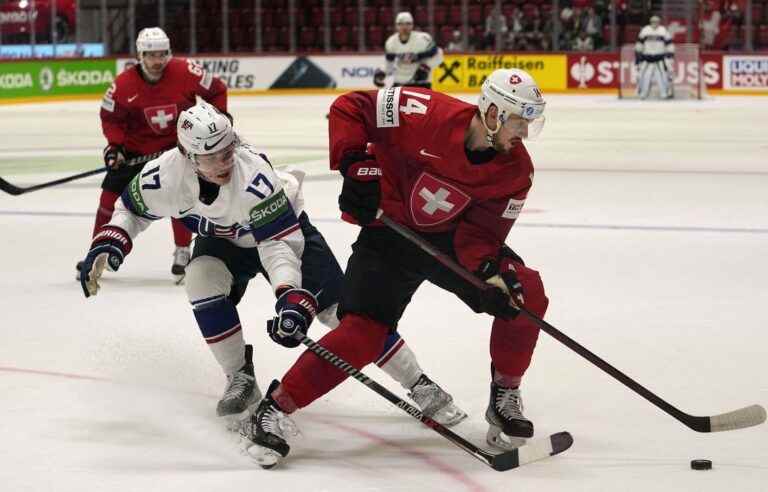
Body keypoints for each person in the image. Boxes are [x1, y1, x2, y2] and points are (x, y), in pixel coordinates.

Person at [78, 101, 467, 430]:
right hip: (223, 241)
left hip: (284, 234)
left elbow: (278, 245)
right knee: (200, 279)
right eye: (213, 155)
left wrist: (288, 294)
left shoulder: (253, 178)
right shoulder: (163, 177)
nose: (226, 159)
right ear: (188, 155)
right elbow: (130, 209)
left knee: (344, 316)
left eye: (228, 147)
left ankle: (418, 381)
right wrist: (112, 239)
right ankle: (239, 377)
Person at [241, 69, 549, 468]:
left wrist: (489, 273)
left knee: (524, 294)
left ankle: (504, 396)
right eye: (518, 121)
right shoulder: (421, 110)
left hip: (450, 242)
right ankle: (274, 409)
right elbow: (351, 107)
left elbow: (481, 235)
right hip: (389, 234)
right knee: (362, 334)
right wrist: (355, 164)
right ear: (491, 113)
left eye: (530, 122)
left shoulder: (515, 173)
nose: (524, 132)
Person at [77, 27, 228, 283]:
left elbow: (217, 89)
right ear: (140, 55)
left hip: (177, 151)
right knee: (108, 200)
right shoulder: (122, 85)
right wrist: (115, 147)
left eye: (162, 54)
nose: (157, 61)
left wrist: (219, 119)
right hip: (136, 152)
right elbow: (111, 118)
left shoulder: (184, 71)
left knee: (182, 198)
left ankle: (182, 252)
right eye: (151, 55)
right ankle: (97, 250)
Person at [373, 11, 444, 89]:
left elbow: (438, 53)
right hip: (400, 82)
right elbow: (389, 63)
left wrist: (426, 67)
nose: (404, 27)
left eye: (408, 23)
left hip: (421, 82)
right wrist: (382, 73)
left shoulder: (423, 39)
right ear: (396, 25)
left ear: (412, 25)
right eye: (401, 24)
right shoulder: (391, 42)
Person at [635, 15, 675, 99]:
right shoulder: (645, 30)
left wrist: (670, 57)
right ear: (650, 22)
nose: (655, 23)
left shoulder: (663, 31)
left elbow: (669, 45)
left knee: (662, 77)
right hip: (647, 58)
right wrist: (638, 57)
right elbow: (639, 44)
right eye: (653, 21)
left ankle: (664, 93)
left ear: (659, 22)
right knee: (644, 76)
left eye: (656, 22)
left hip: (659, 58)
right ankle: (643, 93)